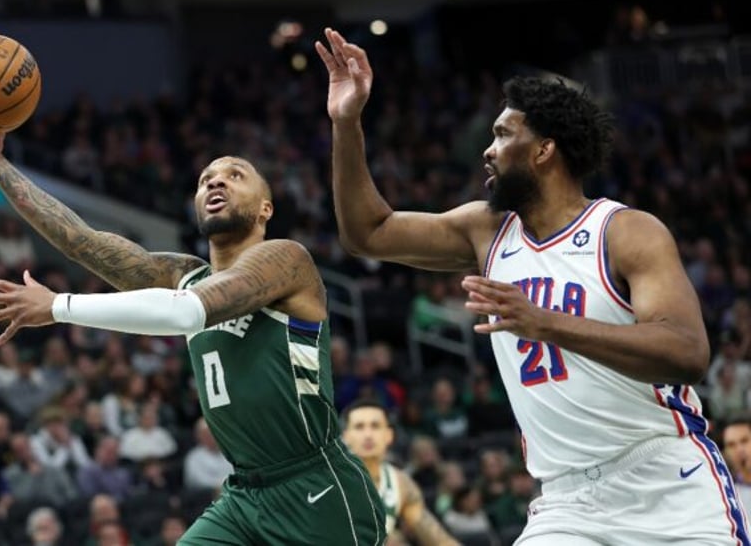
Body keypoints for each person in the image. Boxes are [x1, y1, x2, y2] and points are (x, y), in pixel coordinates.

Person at [316, 27, 747, 544]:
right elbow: (368, 233)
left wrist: (547, 324)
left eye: (503, 134)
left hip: (666, 479)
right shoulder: (486, 229)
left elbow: (686, 352)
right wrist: (347, 123)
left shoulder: (626, 232)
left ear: (544, 150)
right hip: (566, 501)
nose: (487, 151)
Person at [0, 94, 385, 545]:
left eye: (235, 175)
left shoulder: (286, 260)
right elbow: (82, 241)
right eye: (205, 179)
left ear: (266, 209)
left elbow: (187, 310)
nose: (217, 183)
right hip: (247, 494)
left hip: (318, 486)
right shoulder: (183, 273)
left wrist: (59, 306)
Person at [342, 399, 459, 546]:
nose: (368, 435)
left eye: (375, 426)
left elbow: (435, 536)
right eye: (359, 427)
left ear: (389, 435)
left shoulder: (400, 482)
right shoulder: (327, 479)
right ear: (345, 436)